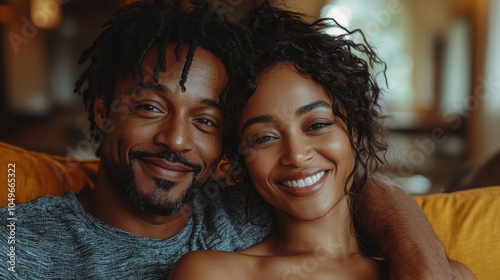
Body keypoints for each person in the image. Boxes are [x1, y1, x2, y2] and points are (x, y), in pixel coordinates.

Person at [0, 0, 466, 279]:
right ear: (104, 110)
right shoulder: (18, 243)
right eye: (150, 107)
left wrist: (421, 267)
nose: (176, 140)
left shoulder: (240, 210)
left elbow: (347, 186)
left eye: (206, 121)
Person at [169, 2, 476, 280]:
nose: (297, 155)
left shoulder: (450, 275)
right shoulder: (211, 273)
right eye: (264, 138)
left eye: (317, 125)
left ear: (353, 129)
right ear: (240, 159)